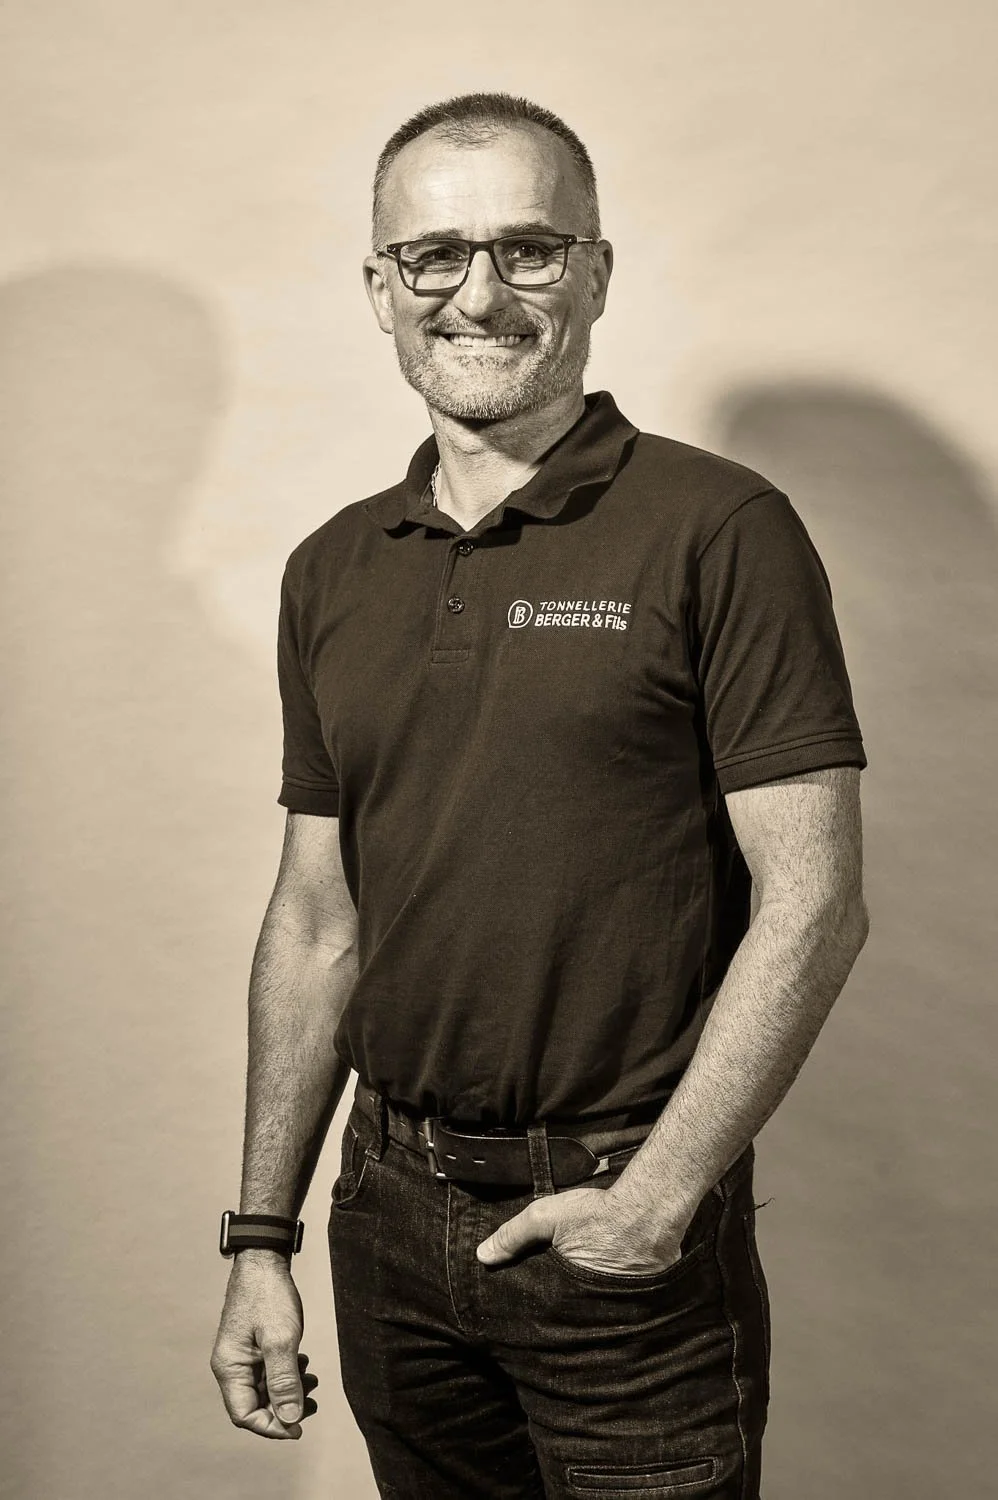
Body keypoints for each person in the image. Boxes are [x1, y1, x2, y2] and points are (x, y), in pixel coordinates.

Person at [210, 93, 869, 1499]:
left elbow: (813, 902)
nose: (479, 295)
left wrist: (656, 1202)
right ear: (380, 288)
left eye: (529, 249)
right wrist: (261, 1236)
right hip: (385, 1222)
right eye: (434, 256)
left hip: (617, 1224)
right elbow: (318, 920)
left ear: (596, 274)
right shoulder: (333, 569)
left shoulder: (719, 529)